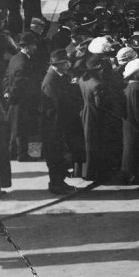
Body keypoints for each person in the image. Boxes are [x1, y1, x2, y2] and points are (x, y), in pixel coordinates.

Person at [39, 49, 79, 195]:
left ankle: (60, 181)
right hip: (53, 127)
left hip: (59, 125)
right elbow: (56, 106)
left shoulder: (59, 76)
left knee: (60, 156)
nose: (67, 64)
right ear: (57, 64)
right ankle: (55, 184)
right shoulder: (50, 81)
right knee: (54, 157)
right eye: (64, 62)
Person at [5, 32, 41, 163]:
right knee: (23, 127)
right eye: (33, 45)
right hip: (23, 100)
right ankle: (23, 155)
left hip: (14, 100)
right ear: (27, 47)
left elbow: (7, 77)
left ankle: (13, 153)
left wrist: (6, 92)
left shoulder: (15, 58)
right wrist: (13, 94)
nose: (35, 47)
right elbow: (19, 83)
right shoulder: (24, 63)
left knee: (14, 127)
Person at [121, 59, 139, 185]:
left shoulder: (128, 86)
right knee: (135, 149)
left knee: (129, 148)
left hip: (128, 121)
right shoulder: (137, 87)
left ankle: (128, 174)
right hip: (135, 123)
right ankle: (135, 175)